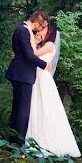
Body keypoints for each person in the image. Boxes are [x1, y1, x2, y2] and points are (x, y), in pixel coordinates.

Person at [24, 21, 81, 158]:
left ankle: (53, 145)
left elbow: (34, 54)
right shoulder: (42, 44)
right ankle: (35, 141)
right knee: (36, 110)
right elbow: (29, 56)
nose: (39, 31)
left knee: (47, 109)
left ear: (49, 32)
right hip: (36, 79)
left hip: (43, 80)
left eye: (43, 29)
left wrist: (33, 39)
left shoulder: (49, 45)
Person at [5, 10, 50, 144]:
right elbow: (28, 55)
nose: (41, 30)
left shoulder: (24, 31)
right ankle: (18, 143)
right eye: (41, 27)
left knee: (18, 109)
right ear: (36, 23)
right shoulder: (23, 30)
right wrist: (44, 64)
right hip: (22, 74)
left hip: (21, 74)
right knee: (22, 111)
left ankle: (13, 142)